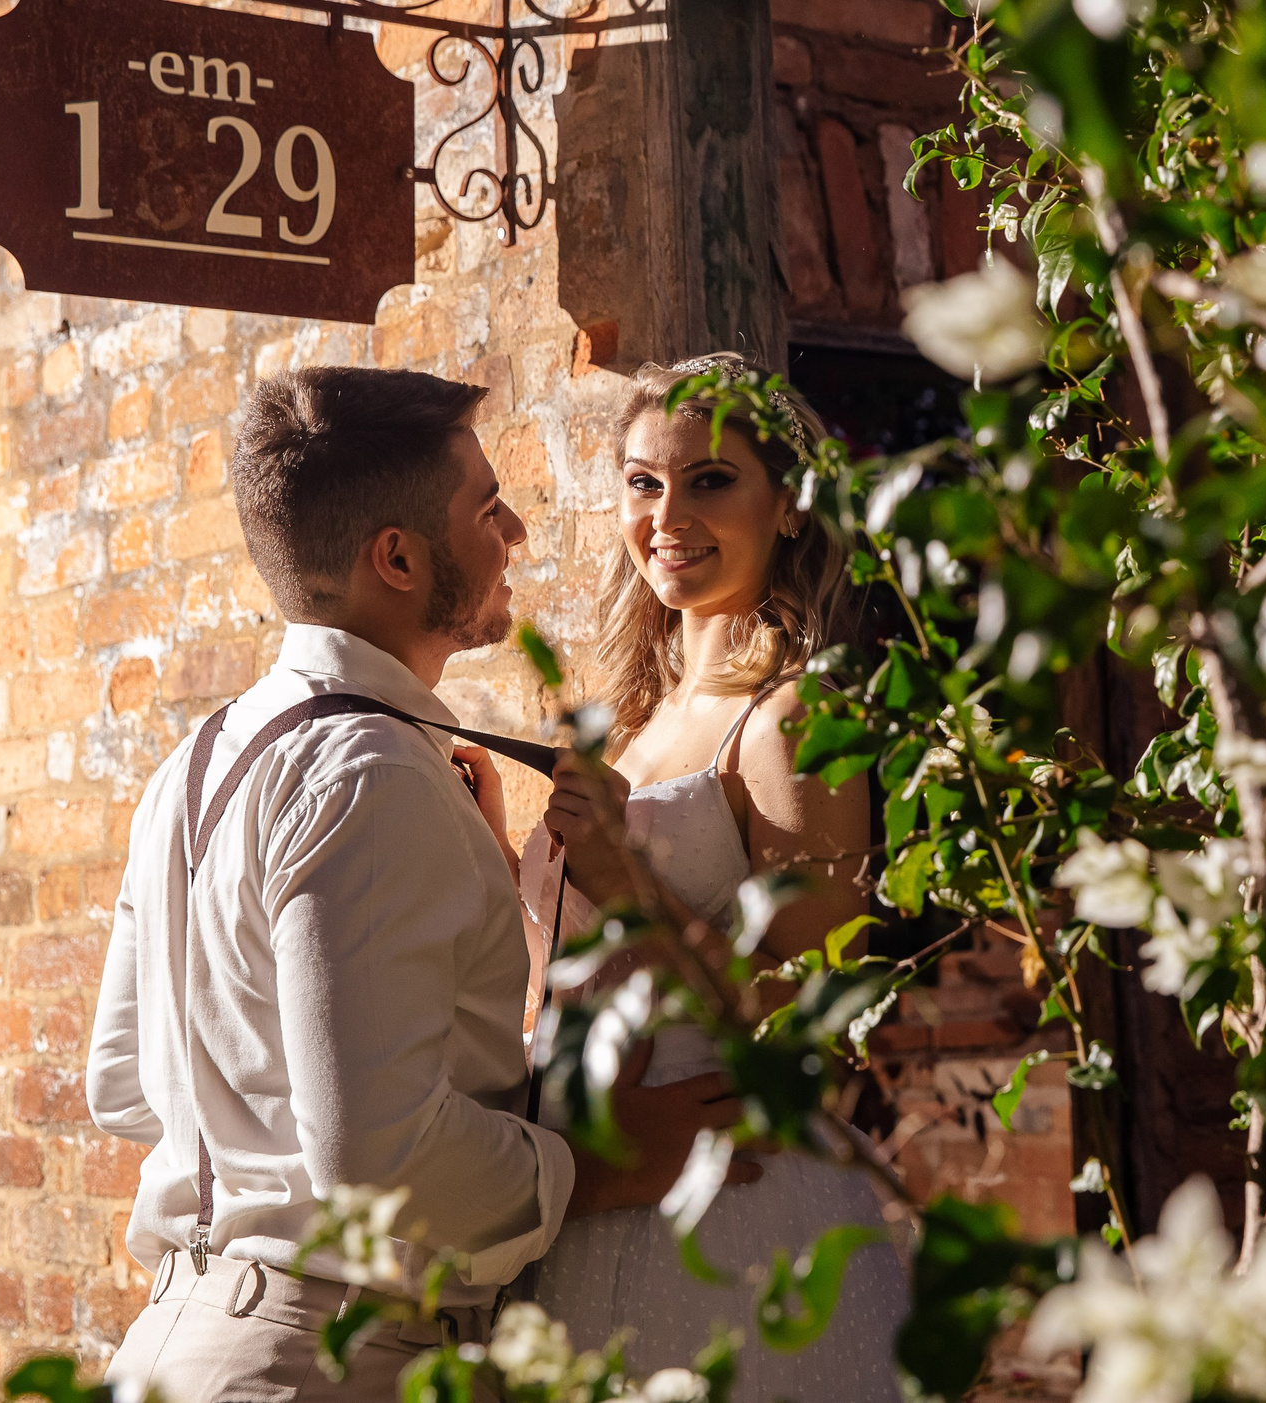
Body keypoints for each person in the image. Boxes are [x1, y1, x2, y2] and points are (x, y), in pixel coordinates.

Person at [87, 367, 748, 1402]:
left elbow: (124, 1080)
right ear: (396, 558)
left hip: (173, 1342)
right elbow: (376, 1155)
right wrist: (600, 1166)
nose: (518, 531)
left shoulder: (200, 758)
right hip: (330, 1361)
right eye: (488, 509)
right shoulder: (371, 774)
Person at [527, 354, 910, 1401]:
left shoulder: (793, 714)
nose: (666, 515)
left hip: (734, 1204)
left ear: (787, 506)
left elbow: (811, 1035)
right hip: (595, 1181)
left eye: (709, 482)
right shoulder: (634, 720)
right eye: (644, 483)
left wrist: (624, 881)